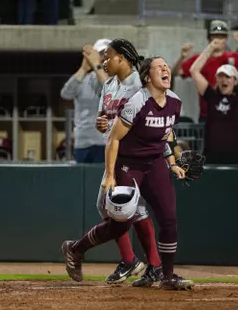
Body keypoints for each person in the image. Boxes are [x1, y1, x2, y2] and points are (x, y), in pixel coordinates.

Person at [61, 56, 194, 290]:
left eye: (166, 67)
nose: (166, 70)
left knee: (169, 218)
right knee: (121, 223)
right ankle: (76, 248)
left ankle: (167, 276)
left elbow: (166, 133)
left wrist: (172, 162)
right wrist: (111, 174)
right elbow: (113, 138)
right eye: (159, 67)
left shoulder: (175, 101)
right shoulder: (137, 102)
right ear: (147, 77)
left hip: (154, 164)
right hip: (129, 164)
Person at [66, 38, 161, 287]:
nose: (105, 61)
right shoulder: (109, 84)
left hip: (134, 156)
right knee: (117, 208)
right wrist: (102, 124)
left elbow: (146, 119)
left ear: (123, 58)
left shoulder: (139, 84)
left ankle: (83, 250)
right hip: (115, 153)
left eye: (108, 57)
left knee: (123, 209)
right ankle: (140, 262)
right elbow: (106, 120)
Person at [189, 31, 238, 164]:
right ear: (216, 79)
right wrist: (210, 48)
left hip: (236, 156)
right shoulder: (211, 95)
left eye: (228, 77)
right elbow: (194, 70)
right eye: (221, 76)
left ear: (235, 81)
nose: (224, 79)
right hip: (212, 155)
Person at [173, 20, 238, 122]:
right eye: (215, 36)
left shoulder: (235, 57)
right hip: (207, 113)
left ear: (226, 39)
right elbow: (176, 72)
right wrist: (181, 57)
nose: (219, 40)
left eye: (222, 37)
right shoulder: (200, 59)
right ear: (209, 38)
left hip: (231, 112)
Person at [60, 38, 111, 163]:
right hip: (82, 143)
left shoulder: (118, 80)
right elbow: (66, 93)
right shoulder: (84, 79)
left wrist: (97, 65)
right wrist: (83, 69)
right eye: (100, 54)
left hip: (106, 143)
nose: (103, 58)